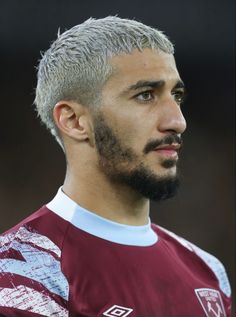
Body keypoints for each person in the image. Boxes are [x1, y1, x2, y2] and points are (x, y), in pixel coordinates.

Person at [0, 16, 231, 317]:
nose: (177, 121)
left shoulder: (208, 272)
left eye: (176, 95)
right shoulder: (21, 273)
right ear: (74, 121)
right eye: (145, 95)